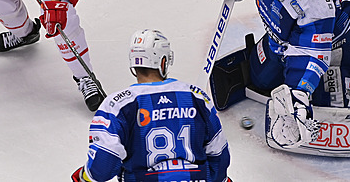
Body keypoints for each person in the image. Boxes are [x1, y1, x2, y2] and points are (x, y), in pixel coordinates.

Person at [204, 0, 350, 147]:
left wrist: (298, 96)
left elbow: (312, 55)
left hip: (334, 40)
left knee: (325, 107)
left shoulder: (316, 4)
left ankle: (337, 71)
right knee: (260, 79)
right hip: (283, 38)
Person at [71, 29, 231, 182]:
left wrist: (85, 176)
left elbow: (104, 164)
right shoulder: (197, 97)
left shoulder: (116, 105)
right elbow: (219, 155)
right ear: (163, 62)